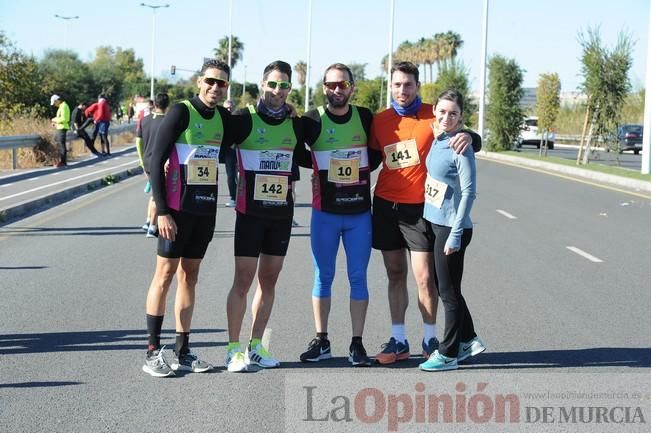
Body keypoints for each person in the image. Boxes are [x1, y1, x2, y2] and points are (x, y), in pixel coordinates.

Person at [369, 62, 481, 365]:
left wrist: (472, 137)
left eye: (408, 84)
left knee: (424, 277)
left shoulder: (434, 114)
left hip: (419, 209)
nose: (402, 90)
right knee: (394, 274)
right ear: (390, 86)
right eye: (397, 84)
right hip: (384, 205)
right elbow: (367, 157)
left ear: (417, 86)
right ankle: (399, 339)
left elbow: (457, 128)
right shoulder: (380, 121)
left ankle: (431, 339)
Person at [141, 60, 232, 377]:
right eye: (210, 81)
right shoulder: (181, 112)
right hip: (175, 211)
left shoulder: (223, 118)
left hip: (204, 212)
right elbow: (155, 160)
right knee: (164, 275)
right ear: (199, 82)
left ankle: (183, 350)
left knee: (190, 277)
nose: (215, 88)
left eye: (221, 83)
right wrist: (162, 210)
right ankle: (152, 351)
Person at [224, 60, 306, 373]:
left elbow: (309, 154)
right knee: (243, 280)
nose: (277, 91)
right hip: (250, 214)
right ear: (262, 85)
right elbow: (213, 142)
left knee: (269, 281)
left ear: (289, 88)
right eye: (272, 84)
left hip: (280, 216)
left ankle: (255, 346)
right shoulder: (244, 118)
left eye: (283, 85)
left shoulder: (294, 123)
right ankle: (233, 350)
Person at [298, 63, 380, 367]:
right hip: (325, 213)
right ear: (323, 88)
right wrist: (318, 165)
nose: (337, 90)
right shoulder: (311, 119)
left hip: (359, 213)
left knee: (358, 278)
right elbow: (293, 148)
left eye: (342, 85)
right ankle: (322, 340)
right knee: (324, 276)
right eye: (331, 85)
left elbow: (379, 150)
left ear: (352, 87)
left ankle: (357, 343)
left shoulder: (364, 117)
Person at [419, 89, 485, 371]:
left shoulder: (461, 145)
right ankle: (468, 340)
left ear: (461, 117)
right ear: (435, 110)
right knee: (449, 288)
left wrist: (456, 233)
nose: (447, 117)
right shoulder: (440, 137)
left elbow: (469, 192)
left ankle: (447, 354)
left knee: (447, 292)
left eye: (453, 114)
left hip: (451, 228)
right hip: (436, 223)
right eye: (443, 112)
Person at [136, 92, 170, 238]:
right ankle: (152, 227)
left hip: (147, 161)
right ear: (167, 105)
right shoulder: (169, 121)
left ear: (154, 104)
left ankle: (149, 219)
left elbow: (138, 141)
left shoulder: (145, 120)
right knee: (159, 195)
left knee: (155, 193)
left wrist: (141, 161)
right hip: (161, 162)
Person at [220, 99, 237, 207]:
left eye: (230, 107)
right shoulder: (219, 118)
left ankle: (234, 198)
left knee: (232, 175)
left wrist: (234, 144)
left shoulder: (237, 119)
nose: (229, 109)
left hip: (232, 151)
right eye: (226, 107)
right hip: (219, 150)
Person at [50, 94, 70, 167]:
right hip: (60, 127)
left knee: (62, 145)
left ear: (57, 100)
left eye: (54, 103)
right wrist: (55, 122)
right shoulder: (61, 106)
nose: (54, 105)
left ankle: (63, 162)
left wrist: (54, 119)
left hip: (62, 128)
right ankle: (62, 161)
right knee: (60, 145)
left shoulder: (64, 106)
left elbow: (65, 119)